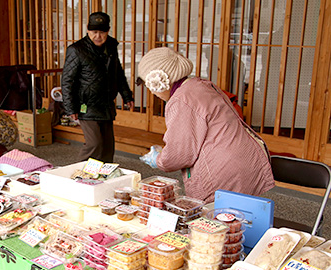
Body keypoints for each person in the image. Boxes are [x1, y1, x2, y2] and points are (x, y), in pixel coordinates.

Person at [137, 47, 275, 203]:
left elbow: (179, 153)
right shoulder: (199, 85)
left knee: (218, 221)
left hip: (223, 170)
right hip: (241, 158)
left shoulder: (181, 100)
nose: (152, 93)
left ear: (160, 82)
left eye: (150, 87)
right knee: (238, 217)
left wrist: (159, 159)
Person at [61, 11, 134, 163]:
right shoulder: (76, 49)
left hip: (106, 103)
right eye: (94, 32)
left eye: (102, 32)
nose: (98, 36)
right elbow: (67, 81)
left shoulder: (111, 47)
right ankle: (78, 176)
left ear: (108, 31)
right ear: (88, 30)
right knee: (94, 144)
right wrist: (70, 108)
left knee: (107, 147)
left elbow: (118, 73)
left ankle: (104, 178)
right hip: (85, 104)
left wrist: (127, 95)